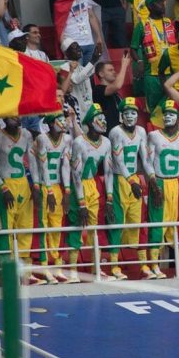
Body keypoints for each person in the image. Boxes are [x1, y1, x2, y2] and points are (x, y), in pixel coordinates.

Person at [0, 117, 39, 283]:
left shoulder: (27, 135)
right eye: (10, 116)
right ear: (4, 119)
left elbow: (32, 161)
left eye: (16, 116)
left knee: (25, 228)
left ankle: (25, 275)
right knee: (5, 232)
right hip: (6, 186)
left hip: (23, 185)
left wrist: (35, 185)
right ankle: (7, 276)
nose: (14, 119)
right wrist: (3, 187)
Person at [107, 98, 152, 280]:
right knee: (117, 223)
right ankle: (114, 266)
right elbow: (118, 160)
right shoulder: (116, 132)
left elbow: (145, 158)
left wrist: (152, 179)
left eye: (133, 113)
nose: (130, 116)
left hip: (134, 178)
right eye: (126, 113)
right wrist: (131, 181)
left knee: (138, 222)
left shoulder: (141, 131)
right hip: (119, 179)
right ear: (121, 116)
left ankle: (144, 265)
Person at [146, 100, 179, 279]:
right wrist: (153, 183)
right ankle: (154, 266)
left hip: (177, 183)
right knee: (158, 224)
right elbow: (148, 162)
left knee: (178, 224)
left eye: (171, 114)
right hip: (160, 182)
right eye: (165, 114)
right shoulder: (154, 136)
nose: (167, 117)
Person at [70, 104, 113, 282]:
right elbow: (76, 174)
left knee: (96, 229)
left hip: (93, 186)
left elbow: (109, 171)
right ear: (89, 122)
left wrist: (109, 199)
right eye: (98, 117)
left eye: (103, 117)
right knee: (77, 226)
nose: (103, 121)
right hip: (77, 187)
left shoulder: (107, 143)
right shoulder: (79, 142)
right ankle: (72, 271)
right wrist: (81, 202)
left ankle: (97, 269)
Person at [34, 114, 72, 284]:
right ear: (50, 124)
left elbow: (65, 165)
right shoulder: (42, 139)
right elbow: (42, 166)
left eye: (64, 119)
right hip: (43, 186)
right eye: (59, 120)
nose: (63, 123)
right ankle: (43, 266)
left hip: (57, 186)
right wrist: (48, 191)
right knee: (43, 226)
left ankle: (56, 264)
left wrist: (67, 190)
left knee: (56, 227)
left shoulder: (67, 139)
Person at [52, 0, 104, 66]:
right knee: (77, 76)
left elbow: (91, 17)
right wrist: (65, 48)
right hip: (73, 46)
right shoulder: (59, 4)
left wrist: (98, 36)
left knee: (90, 74)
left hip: (89, 42)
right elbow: (60, 28)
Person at [92, 54, 130, 132]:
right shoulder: (98, 89)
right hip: (108, 131)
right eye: (110, 70)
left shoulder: (116, 94)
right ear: (101, 74)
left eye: (114, 70)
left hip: (120, 130)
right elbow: (117, 85)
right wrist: (124, 65)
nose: (114, 72)